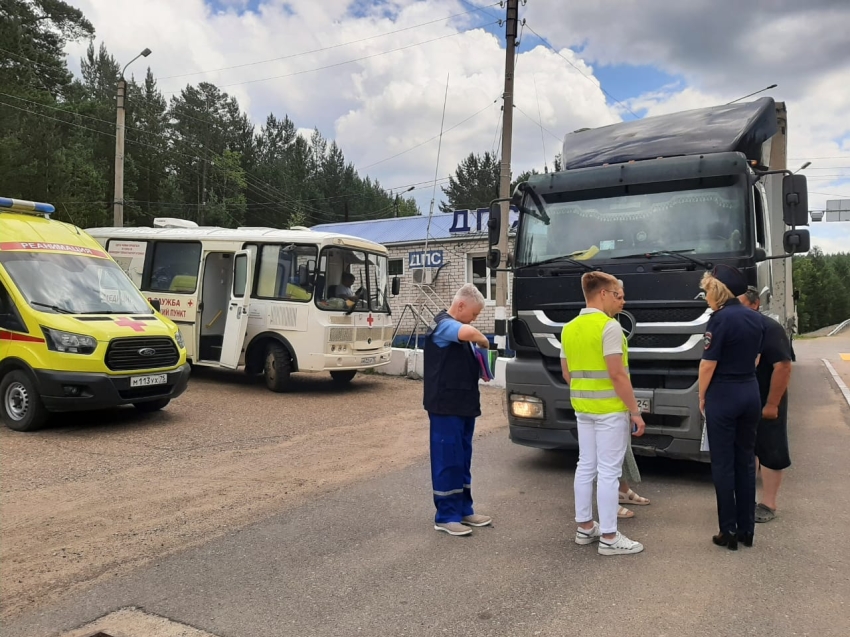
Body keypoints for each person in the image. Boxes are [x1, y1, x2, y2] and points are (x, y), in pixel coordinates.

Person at [561, 271, 646, 556]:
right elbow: (617, 374)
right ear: (603, 294)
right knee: (609, 472)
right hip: (610, 411)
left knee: (585, 466)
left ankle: (585, 528)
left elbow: (567, 373)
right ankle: (610, 537)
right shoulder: (609, 328)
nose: (622, 300)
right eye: (617, 294)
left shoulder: (569, 327)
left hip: (583, 409)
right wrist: (635, 411)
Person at [698, 265, 765, 551]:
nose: (705, 296)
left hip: (724, 394)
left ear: (716, 290)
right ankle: (747, 530)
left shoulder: (719, 320)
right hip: (750, 391)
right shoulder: (755, 318)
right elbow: (756, 360)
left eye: (706, 291)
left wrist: (702, 396)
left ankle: (728, 531)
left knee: (723, 465)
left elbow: (708, 364)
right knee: (745, 461)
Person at [423, 283, 493, 536]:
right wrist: (483, 340)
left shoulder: (456, 329)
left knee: (462, 460)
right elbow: (467, 332)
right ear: (461, 305)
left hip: (462, 406)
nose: (474, 320)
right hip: (445, 407)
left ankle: (464, 509)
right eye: (473, 314)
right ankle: (446, 516)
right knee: (447, 460)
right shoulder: (443, 325)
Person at [739, 286, 793, 523]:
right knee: (745, 450)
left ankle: (768, 504)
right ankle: (745, 498)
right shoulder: (731, 327)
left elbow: (783, 367)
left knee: (770, 448)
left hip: (766, 397)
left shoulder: (770, 329)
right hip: (741, 398)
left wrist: (772, 404)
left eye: (740, 303)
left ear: (755, 304)